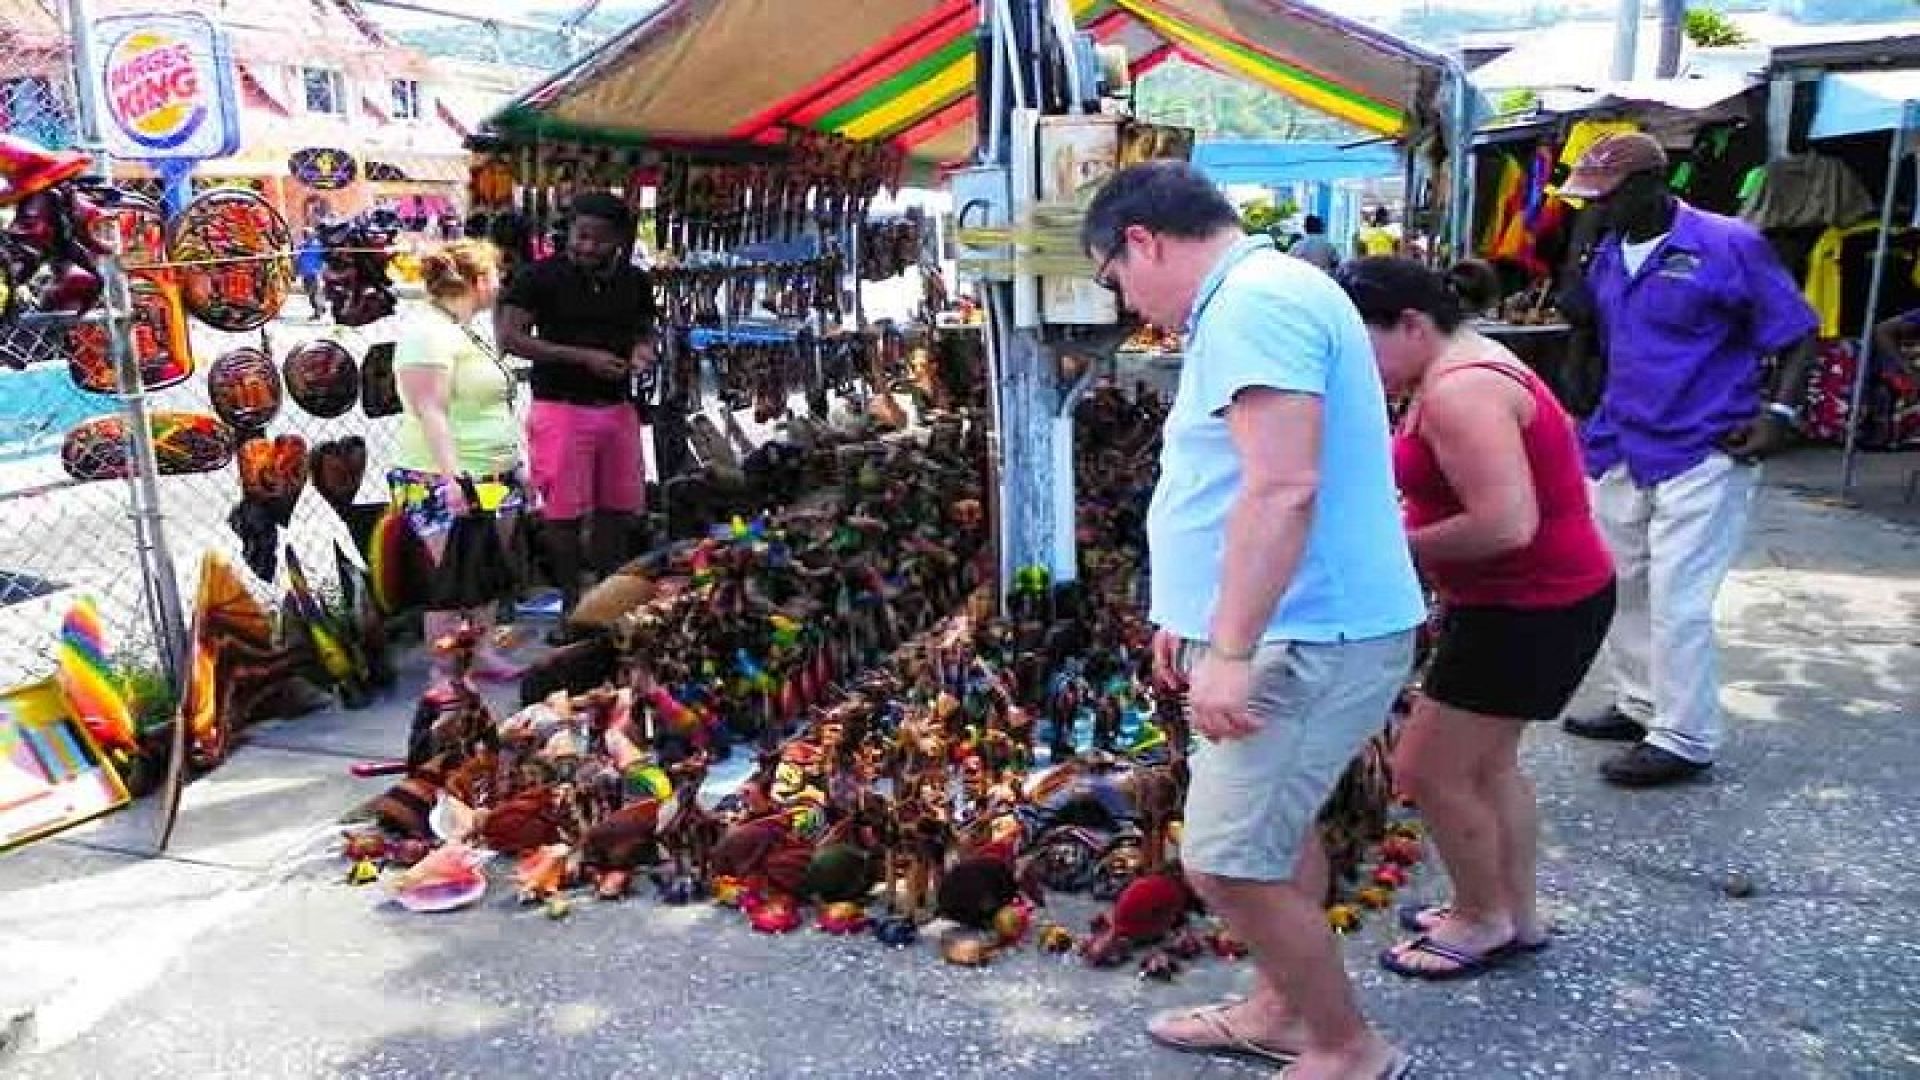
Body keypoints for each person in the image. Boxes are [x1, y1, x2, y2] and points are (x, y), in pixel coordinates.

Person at [1086, 162, 1423, 1080]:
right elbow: (1238, 481)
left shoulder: (1253, 305)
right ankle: (1283, 1012)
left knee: (1229, 862)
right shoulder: (1269, 291)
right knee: (1274, 833)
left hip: (1306, 635)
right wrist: (1190, 616)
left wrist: (1229, 649)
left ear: (1143, 241)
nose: (1130, 304)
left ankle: (1347, 1047)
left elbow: (1281, 489)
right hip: (1297, 624)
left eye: (1117, 278)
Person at [1337, 257, 1616, 979]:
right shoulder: (1463, 365)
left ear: (1410, 324)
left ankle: (1481, 917)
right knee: (1488, 766)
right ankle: (1513, 913)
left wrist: (1391, 547)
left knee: (1427, 769)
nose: (1359, 365)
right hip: (1535, 599)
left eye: (1362, 343)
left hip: (1529, 604)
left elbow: (1505, 523)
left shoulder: (1462, 391)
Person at [1558, 133, 1818, 787]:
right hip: (1622, 441)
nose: (1597, 210)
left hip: (1703, 444)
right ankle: (1640, 702)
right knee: (1620, 583)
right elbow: (1597, 342)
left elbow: (1797, 330)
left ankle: (1685, 736)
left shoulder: (1729, 243)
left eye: (1607, 198)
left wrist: (1779, 415)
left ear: (1654, 183)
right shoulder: (1608, 254)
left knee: (1680, 597)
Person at [495, 192, 656, 639]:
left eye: (598, 240)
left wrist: (645, 351)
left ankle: (605, 601)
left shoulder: (634, 282)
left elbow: (646, 326)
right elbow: (510, 337)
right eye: (580, 236)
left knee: (616, 511)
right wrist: (581, 357)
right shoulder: (539, 277)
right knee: (563, 515)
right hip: (560, 410)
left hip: (617, 409)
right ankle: (570, 605)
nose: (585, 246)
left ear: (621, 240)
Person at [388, 240, 526, 685]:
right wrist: (453, 478)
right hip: (444, 474)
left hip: (493, 471)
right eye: (497, 276)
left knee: (485, 569)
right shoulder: (427, 331)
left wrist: (514, 463)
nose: (501, 284)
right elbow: (429, 407)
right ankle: (446, 671)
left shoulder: (466, 329)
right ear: (478, 280)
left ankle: (480, 651)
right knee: (449, 581)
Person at [294, 229, 326, 321]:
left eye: (307, 234)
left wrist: (320, 268)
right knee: (310, 293)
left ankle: (318, 312)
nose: (306, 235)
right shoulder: (303, 245)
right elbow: (297, 258)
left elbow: (323, 257)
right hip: (305, 273)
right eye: (304, 234)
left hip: (314, 273)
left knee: (314, 293)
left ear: (312, 235)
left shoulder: (317, 245)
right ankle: (321, 308)